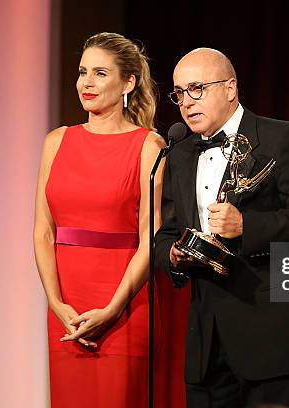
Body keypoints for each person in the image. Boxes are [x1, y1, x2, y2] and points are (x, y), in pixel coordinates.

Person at [154, 48, 289, 408]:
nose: (186, 102)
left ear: (230, 88)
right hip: (206, 345)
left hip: (270, 340)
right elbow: (165, 233)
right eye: (179, 93)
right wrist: (173, 254)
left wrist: (247, 225)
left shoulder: (281, 138)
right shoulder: (178, 152)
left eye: (197, 88)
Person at [33, 32, 177, 407]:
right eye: (83, 72)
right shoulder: (57, 141)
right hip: (66, 310)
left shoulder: (149, 145)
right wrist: (55, 303)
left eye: (100, 73)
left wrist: (112, 309)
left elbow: (152, 238)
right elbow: (43, 231)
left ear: (128, 82)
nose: (87, 83)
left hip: (124, 308)